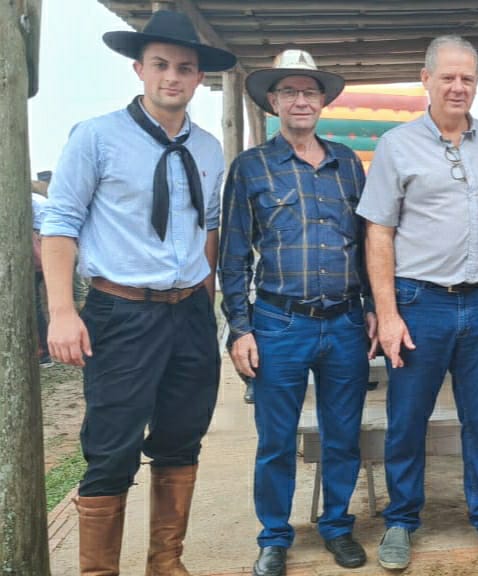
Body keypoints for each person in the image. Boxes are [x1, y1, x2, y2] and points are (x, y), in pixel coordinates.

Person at [40, 10, 235, 576]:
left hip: (188, 310)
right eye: (160, 65)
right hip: (120, 310)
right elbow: (61, 224)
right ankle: (99, 571)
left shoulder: (206, 149)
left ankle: (165, 562)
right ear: (139, 69)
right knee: (112, 446)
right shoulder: (96, 137)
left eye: (185, 68)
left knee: (181, 437)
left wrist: (205, 291)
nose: (172, 77)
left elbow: (212, 225)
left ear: (199, 78)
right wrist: (60, 311)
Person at [355, 35, 478, 570]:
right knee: (407, 418)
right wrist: (390, 313)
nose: (458, 86)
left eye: (467, 78)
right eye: (447, 76)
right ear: (425, 79)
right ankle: (401, 520)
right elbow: (378, 232)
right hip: (421, 302)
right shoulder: (397, 146)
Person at [219, 49, 375, 574]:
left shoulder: (347, 162)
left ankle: (335, 525)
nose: (301, 100)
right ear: (273, 101)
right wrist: (239, 327)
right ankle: (274, 536)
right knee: (277, 439)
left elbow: (369, 241)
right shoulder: (251, 167)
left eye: (310, 91)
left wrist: (375, 308)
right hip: (279, 322)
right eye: (290, 91)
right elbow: (234, 253)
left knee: (342, 431)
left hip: (346, 322)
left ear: (323, 100)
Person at [31, 181, 52, 367]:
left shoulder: (27, 202)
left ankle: (44, 352)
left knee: (34, 305)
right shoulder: (39, 199)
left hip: (34, 258)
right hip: (46, 256)